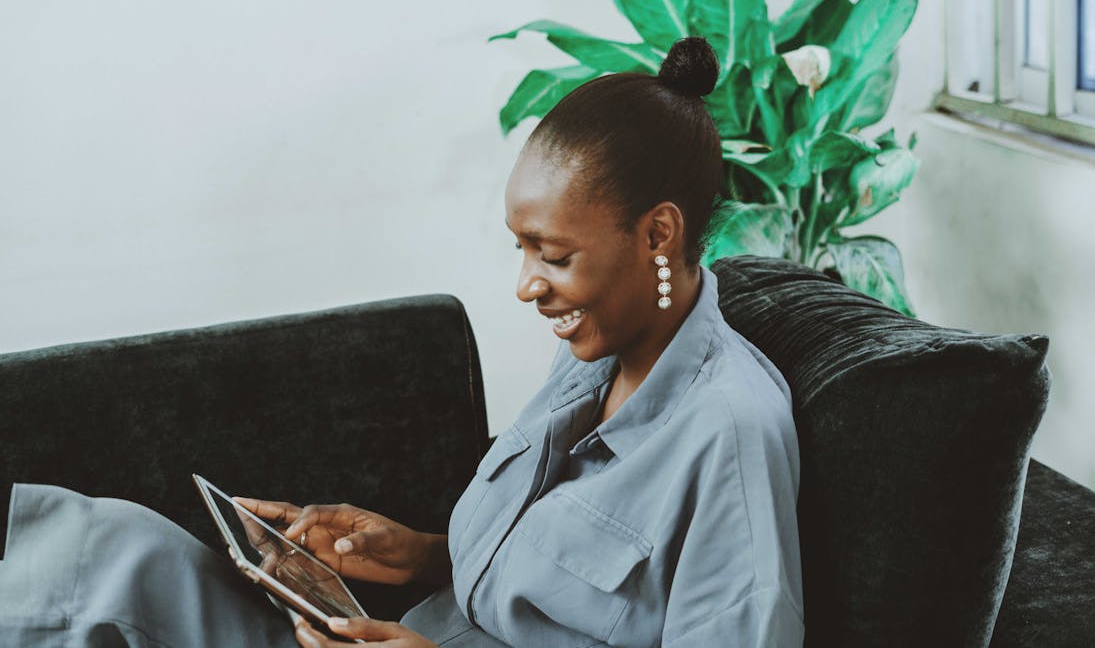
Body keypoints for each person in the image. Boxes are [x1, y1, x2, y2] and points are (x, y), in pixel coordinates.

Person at [0, 36, 804, 647]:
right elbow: (545, 598)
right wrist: (417, 554)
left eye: (554, 256)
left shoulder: (728, 434)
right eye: (521, 248)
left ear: (657, 233)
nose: (526, 283)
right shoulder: (596, 357)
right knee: (116, 546)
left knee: (103, 587)